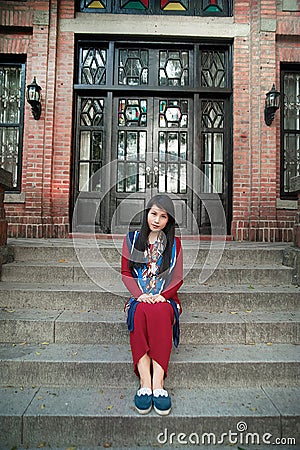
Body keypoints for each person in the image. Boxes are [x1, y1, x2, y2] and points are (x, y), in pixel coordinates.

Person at [121, 194, 183, 416]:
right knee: (140, 313)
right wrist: (140, 295)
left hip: (165, 298)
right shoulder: (131, 239)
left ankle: (159, 383)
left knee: (160, 311)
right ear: (147, 213)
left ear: (169, 220)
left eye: (163, 216)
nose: (157, 220)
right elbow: (126, 273)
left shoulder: (174, 244)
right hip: (139, 297)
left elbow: (177, 278)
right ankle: (144, 382)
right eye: (153, 213)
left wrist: (163, 295)